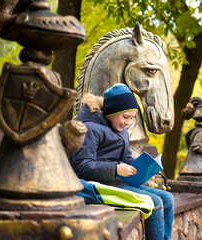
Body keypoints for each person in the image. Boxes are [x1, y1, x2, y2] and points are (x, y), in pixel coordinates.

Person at [69, 83, 174, 240]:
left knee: (168, 199)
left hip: (117, 181)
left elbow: (124, 158)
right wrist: (116, 169)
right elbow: (82, 167)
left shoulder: (121, 131)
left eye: (132, 118)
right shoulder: (89, 129)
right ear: (111, 111)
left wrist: (143, 166)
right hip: (99, 185)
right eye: (125, 117)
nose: (128, 122)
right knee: (155, 203)